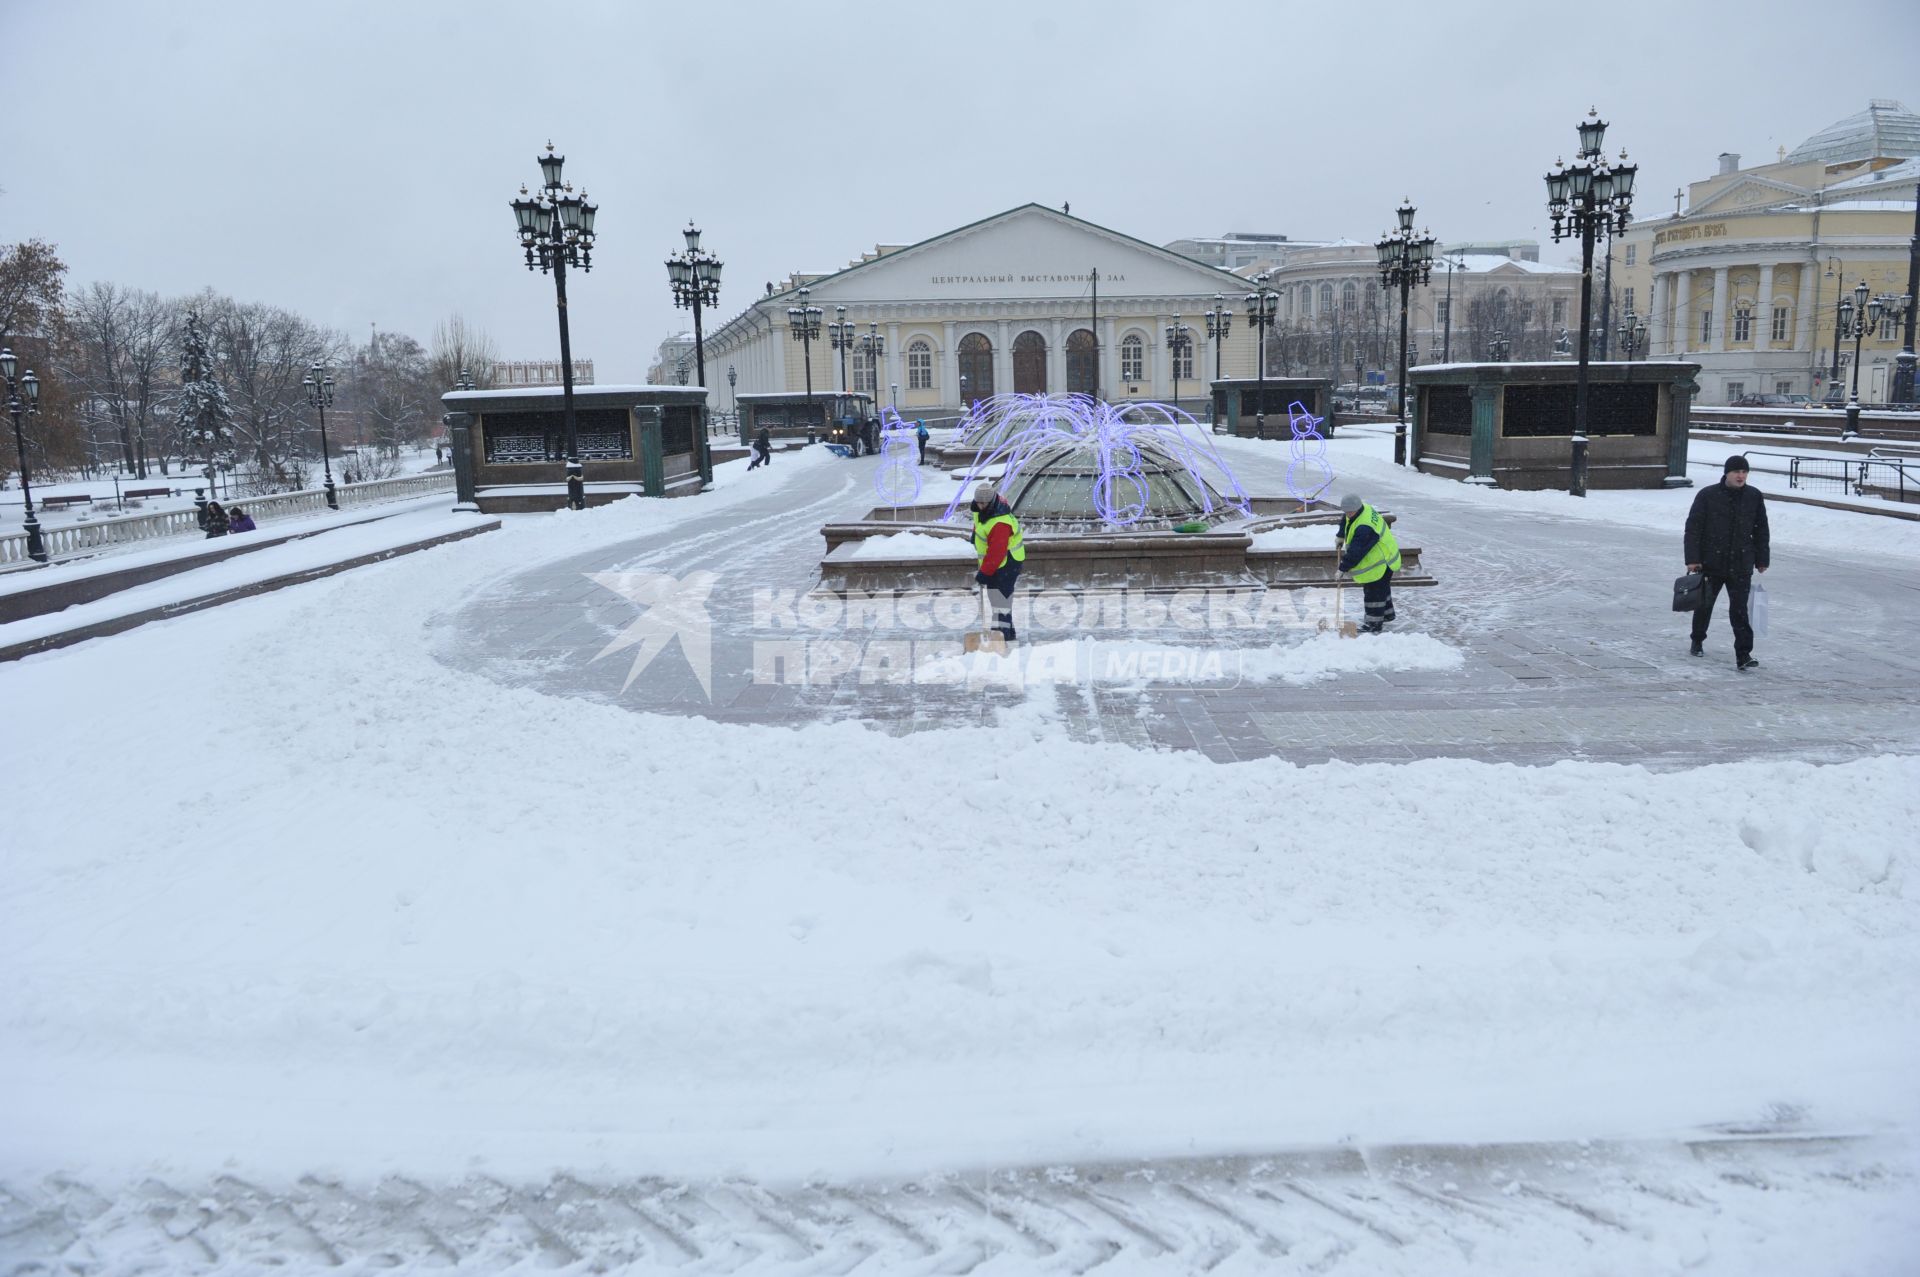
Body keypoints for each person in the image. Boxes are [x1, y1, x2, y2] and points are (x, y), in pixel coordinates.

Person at [1685, 454, 1770, 670]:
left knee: (1740, 610)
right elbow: (1693, 528)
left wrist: (1762, 559)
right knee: (1705, 605)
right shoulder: (1708, 495)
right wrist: (1693, 559)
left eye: (1744, 472)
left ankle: (1744, 655)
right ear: (1727, 473)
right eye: (1736, 472)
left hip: (1741, 563)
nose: (1741, 476)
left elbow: (1761, 530)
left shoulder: (1754, 496)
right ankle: (1697, 639)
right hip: (1711, 562)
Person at [1336, 492, 1402, 633]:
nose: (1348, 515)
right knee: (1381, 589)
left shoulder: (1365, 526)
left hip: (1381, 562)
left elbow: (1356, 551)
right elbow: (1345, 520)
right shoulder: (1361, 508)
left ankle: (1373, 625)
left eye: (1350, 512)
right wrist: (1341, 536)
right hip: (1383, 555)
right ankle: (1387, 615)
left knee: (1374, 594)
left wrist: (1342, 568)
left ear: (1357, 508)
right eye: (1346, 512)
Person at [970, 482, 1025, 643]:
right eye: (978, 503)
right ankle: (1004, 631)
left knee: (1001, 600)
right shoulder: (981, 510)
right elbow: (979, 524)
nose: (980, 506)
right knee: (997, 599)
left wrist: (984, 573)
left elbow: (997, 552)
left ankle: (1003, 636)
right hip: (996, 563)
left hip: (1008, 562)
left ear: (991, 501)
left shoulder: (1000, 522)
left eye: (983, 504)